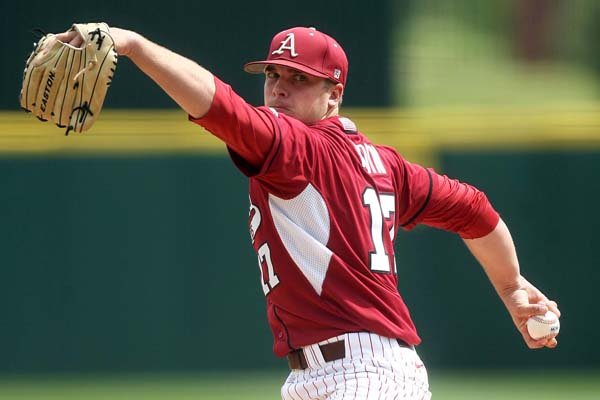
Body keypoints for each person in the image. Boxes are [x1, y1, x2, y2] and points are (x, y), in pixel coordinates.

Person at [57, 25, 560, 399]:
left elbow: (217, 104)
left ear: (334, 94)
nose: (278, 87)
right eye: (273, 73)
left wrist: (134, 45)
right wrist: (512, 285)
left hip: (359, 378)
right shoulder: (388, 166)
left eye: (299, 78)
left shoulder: (298, 146)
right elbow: (475, 210)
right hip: (338, 375)